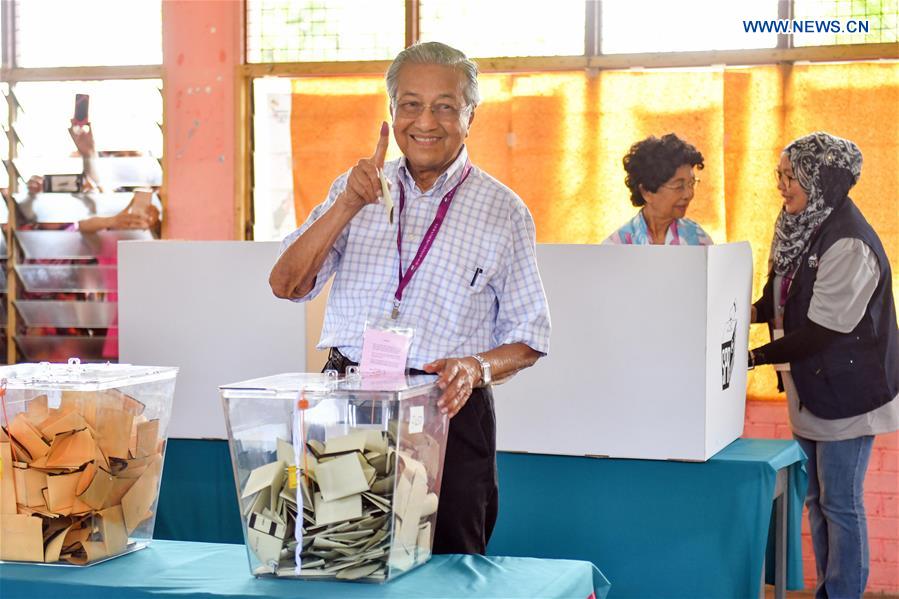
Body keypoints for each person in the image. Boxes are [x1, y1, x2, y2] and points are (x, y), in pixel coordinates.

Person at [270, 41, 551, 555]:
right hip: (349, 403)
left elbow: (529, 336)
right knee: (341, 557)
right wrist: (347, 206)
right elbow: (286, 284)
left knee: (450, 568)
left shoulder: (503, 211)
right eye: (411, 104)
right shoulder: (355, 188)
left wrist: (476, 367)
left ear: (470, 115)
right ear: (392, 110)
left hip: (446, 408)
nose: (426, 121)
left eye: (445, 106)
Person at [748, 132, 898, 599]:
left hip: (848, 393)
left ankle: (842, 593)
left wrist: (753, 357)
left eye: (790, 176)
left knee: (841, 503)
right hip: (812, 387)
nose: (781, 185)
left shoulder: (849, 242)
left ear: (821, 180)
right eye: (779, 174)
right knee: (817, 499)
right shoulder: (798, 226)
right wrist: (732, 313)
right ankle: (829, 592)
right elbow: (778, 299)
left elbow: (821, 331)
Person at [604, 133, 713, 245]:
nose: (688, 194)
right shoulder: (617, 245)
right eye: (679, 186)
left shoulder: (699, 240)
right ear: (646, 192)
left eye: (691, 183)